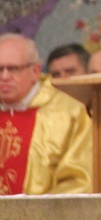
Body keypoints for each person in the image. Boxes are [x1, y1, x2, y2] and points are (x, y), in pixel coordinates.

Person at [0, 33, 93, 194]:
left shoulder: (69, 113)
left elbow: (78, 182)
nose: (5, 76)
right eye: (0, 69)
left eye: (13, 69)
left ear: (35, 71)